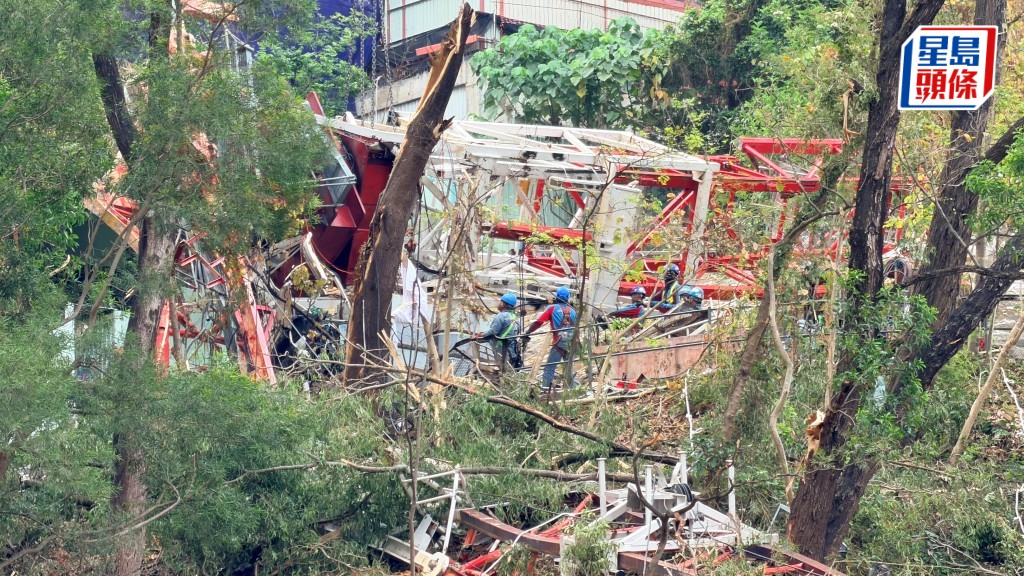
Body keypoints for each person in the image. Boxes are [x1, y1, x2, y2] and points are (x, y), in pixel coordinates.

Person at [525, 286, 577, 391]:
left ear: (556, 297)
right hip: (572, 342)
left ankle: (545, 391)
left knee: (549, 368)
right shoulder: (573, 311)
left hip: (559, 342)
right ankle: (570, 390)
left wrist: (528, 332)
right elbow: (577, 329)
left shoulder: (552, 308)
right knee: (568, 368)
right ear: (568, 298)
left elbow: (539, 322)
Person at [475, 292, 522, 370]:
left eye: (500, 301)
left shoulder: (501, 316)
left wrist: (481, 335)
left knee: (504, 369)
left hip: (502, 348)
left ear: (503, 304)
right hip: (512, 350)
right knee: (510, 369)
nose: (498, 303)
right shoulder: (516, 318)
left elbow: (493, 332)